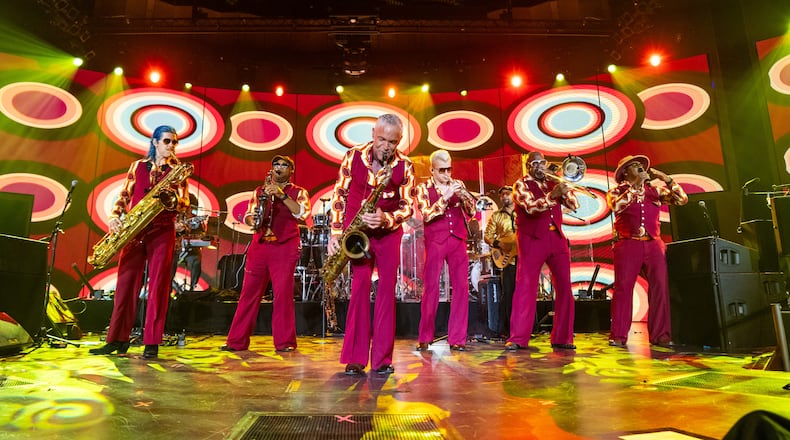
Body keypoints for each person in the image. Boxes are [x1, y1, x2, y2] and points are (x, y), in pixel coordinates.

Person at [90, 125, 189, 358]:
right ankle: (116, 339)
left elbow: (185, 203)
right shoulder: (137, 166)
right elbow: (124, 195)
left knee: (159, 287)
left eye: (174, 142)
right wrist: (115, 217)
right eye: (167, 141)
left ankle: (152, 342)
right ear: (154, 142)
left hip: (162, 230)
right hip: (134, 230)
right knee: (124, 286)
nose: (171, 146)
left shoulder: (179, 171)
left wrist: (172, 198)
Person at [327, 113, 416, 376]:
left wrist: (386, 219)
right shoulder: (352, 156)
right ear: (372, 134)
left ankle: (382, 360)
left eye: (392, 141)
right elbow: (339, 193)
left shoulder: (406, 166)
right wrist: (335, 231)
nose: (386, 146)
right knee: (359, 289)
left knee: (387, 293)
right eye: (381, 139)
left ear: (399, 140)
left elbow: (408, 206)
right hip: (357, 234)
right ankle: (355, 359)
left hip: (388, 235)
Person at [221, 155, 310, 352]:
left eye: (284, 165)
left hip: (284, 247)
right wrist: (255, 220)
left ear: (291, 170)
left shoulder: (298, 192)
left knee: (283, 295)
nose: (279, 168)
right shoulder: (259, 191)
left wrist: (281, 195)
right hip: (260, 246)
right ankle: (236, 341)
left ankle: (285, 342)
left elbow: (301, 213)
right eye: (276, 164)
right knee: (248, 294)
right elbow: (249, 215)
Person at [607, 155, 687, 347]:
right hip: (628, 243)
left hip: (653, 243)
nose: (640, 168)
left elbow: (682, 199)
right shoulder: (616, 191)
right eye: (635, 166)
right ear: (626, 172)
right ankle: (618, 335)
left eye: (641, 166)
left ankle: (660, 335)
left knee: (660, 287)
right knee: (623, 289)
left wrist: (667, 179)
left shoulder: (654, 191)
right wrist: (635, 186)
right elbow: (616, 206)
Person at [506, 151, 578, 351]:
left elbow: (574, 205)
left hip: (556, 237)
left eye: (542, 163)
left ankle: (563, 338)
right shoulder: (520, 184)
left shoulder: (552, 182)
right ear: (528, 166)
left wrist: (564, 187)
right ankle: (518, 338)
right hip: (532, 239)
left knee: (565, 286)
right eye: (535, 163)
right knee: (526, 286)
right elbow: (530, 207)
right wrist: (551, 196)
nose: (540, 166)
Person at [415, 149, 476, 352]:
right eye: (442, 170)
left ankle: (458, 338)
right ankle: (425, 336)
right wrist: (446, 197)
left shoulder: (458, 184)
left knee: (461, 288)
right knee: (431, 288)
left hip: (457, 239)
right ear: (432, 170)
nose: (447, 174)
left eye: (449, 169)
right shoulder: (423, 188)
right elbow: (426, 214)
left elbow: (472, 212)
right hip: (436, 241)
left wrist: (465, 197)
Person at [483, 185, 517, 338]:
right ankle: (508, 330)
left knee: (524, 293)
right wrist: (498, 244)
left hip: (524, 257)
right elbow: (487, 236)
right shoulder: (496, 216)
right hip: (508, 260)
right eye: (502, 195)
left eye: (507, 194)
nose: (504, 197)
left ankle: (526, 327)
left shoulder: (522, 213)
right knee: (508, 294)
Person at [171, 193, 207, 293]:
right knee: (170, 263)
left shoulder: (196, 220)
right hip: (173, 248)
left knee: (196, 259)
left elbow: (201, 235)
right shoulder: (173, 216)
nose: (189, 209)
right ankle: (170, 286)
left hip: (189, 250)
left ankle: (192, 288)